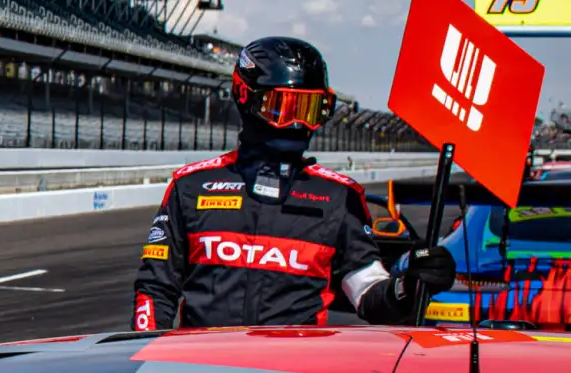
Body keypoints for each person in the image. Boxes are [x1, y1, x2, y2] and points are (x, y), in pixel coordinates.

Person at [133, 36, 455, 329]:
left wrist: (407, 287)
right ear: (246, 97)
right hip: (200, 367)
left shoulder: (339, 198)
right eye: (284, 107)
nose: (298, 123)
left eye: (310, 109)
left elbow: (370, 295)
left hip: (292, 369)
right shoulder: (191, 187)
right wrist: (145, 359)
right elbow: (155, 290)